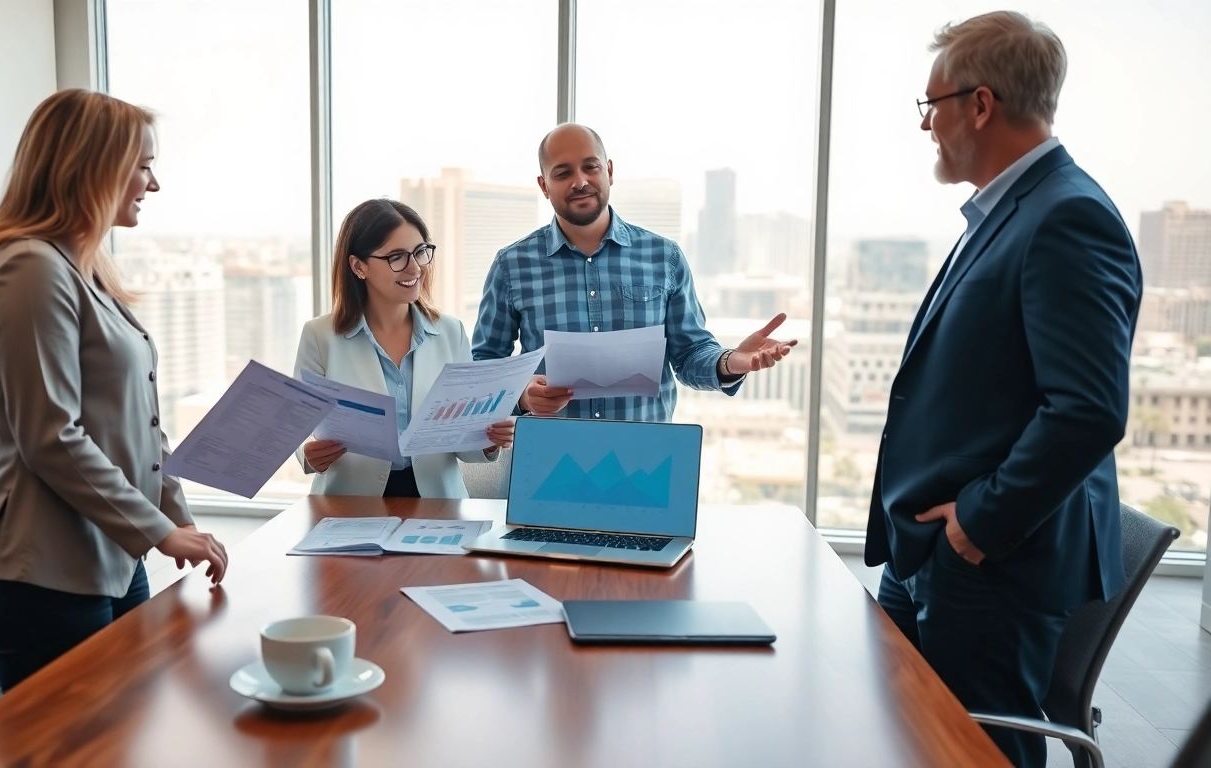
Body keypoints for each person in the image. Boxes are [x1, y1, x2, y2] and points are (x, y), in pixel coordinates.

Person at [866, 13, 1139, 768]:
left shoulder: (1068, 215)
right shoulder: (1007, 209)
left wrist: (976, 526)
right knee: (901, 734)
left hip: (989, 560)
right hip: (933, 551)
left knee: (977, 755)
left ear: (979, 105)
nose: (926, 126)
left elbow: (1087, 410)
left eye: (931, 105)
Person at [0, 89, 228, 691]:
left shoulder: (85, 267)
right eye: (143, 165)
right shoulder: (30, 269)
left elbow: (135, 424)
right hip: (45, 572)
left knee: (127, 729)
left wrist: (174, 516)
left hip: (110, 555)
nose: (153, 184)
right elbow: (53, 438)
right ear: (91, 166)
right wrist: (157, 528)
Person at [472, 123, 796, 422]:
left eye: (590, 166)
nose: (580, 181)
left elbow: (690, 355)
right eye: (562, 173)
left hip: (646, 461)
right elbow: (484, 363)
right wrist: (522, 394)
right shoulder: (512, 265)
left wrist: (732, 361)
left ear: (609, 171)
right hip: (548, 461)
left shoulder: (664, 257)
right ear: (544, 186)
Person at [296, 199, 512, 497]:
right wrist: (308, 454)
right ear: (359, 266)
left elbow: (464, 443)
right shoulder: (319, 336)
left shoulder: (451, 332)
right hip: (348, 503)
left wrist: (488, 441)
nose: (415, 268)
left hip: (437, 504)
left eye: (421, 252)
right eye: (396, 256)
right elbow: (296, 428)